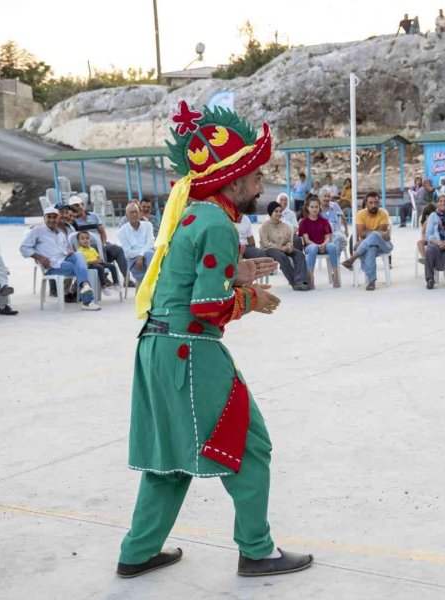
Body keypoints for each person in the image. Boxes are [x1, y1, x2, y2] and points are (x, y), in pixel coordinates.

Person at [118, 100, 312, 579]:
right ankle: (257, 551)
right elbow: (208, 308)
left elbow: (182, 284)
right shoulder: (217, 223)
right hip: (191, 351)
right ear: (233, 179)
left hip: (156, 347)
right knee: (249, 445)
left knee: (169, 459)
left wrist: (237, 271)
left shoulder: (193, 217)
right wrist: (252, 299)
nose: (262, 185)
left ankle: (137, 552)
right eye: (255, 175)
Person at [20, 207, 99, 310]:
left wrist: (69, 253)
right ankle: (87, 300)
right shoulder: (37, 231)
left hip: (64, 261)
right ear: (44, 218)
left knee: (79, 255)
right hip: (52, 266)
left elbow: (64, 250)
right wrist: (39, 257)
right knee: (80, 266)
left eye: (54, 217)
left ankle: (84, 286)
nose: (52, 220)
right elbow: (23, 248)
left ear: (58, 218)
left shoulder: (61, 233)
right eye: (49, 217)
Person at [69, 195, 129, 286]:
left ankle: (126, 278)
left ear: (82, 204)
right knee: (95, 250)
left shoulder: (94, 216)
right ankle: (104, 278)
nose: (76, 208)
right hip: (86, 247)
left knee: (118, 249)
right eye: (73, 207)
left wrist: (104, 243)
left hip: (101, 242)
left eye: (77, 205)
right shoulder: (73, 220)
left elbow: (102, 232)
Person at [341, 191, 392, 291]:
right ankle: (371, 281)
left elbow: (379, 235)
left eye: (376, 202)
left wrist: (368, 236)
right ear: (366, 203)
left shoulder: (384, 213)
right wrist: (375, 233)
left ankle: (352, 258)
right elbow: (361, 233)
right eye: (371, 203)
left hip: (383, 245)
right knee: (371, 248)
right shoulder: (360, 214)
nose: (373, 205)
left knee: (375, 235)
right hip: (368, 246)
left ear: (379, 203)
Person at [259, 200, 310, 291]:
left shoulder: (286, 226)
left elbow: (289, 241)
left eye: (280, 211)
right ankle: (294, 282)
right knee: (282, 256)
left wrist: (287, 247)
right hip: (269, 249)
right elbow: (265, 243)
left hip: (284, 248)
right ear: (270, 213)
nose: (279, 213)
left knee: (299, 255)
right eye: (276, 211)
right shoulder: (264, 226)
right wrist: (280, 248)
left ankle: (302, 281)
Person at [298, 196, 340, 288]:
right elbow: (306, 240)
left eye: (316, 207)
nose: (314, 209)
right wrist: (317, 245)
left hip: (324, 244)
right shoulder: (304, 222)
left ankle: (336, 274)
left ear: (319, 207)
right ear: (307, 208)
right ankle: (310, 277)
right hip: (310, 246)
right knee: (313, 249)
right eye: (312, 207)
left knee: (332, 246)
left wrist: (323, 244)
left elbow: (328, 237)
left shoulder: (324, 221)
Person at [118, 202, 156, 284]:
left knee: (149, 253)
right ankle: (152, 281)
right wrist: (140, 256)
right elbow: (128, 253)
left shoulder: (148, 225)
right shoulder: (122, 231)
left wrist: (141, 255)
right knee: (149, 254)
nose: (134, 214)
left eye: (136, 212)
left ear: (140, 213)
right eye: (131, 212)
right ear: (126, 215)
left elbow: (151, 243)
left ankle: (151, 281)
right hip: (134, 261)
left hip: (149, 257)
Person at [77, 230, 118, 295]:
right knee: (100, 267)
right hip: (89, 265)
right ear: (78, 241)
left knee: (112, 266)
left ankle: (116, 283)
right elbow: (82, 262)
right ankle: (104, 286)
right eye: (82, 239)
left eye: (87, 238)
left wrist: (100, 259)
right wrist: (93, 261)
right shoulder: (79, 251)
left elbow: (98, 257)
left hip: (97, 263)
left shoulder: (92, 249)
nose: (85, 240)